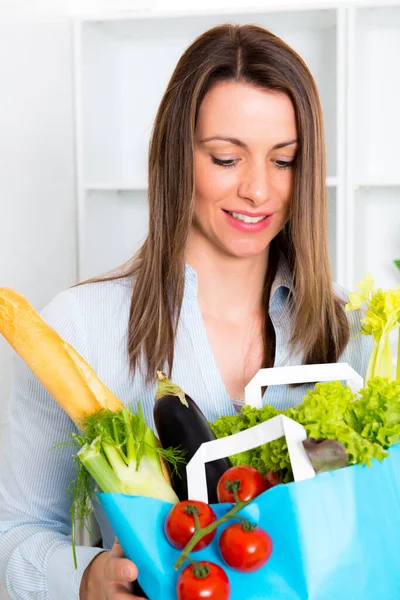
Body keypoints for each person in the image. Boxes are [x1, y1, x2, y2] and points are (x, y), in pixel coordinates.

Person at [0, 22, 371, 600]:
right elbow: (16, 534)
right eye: (226, 157)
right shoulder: (76, 330)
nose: (257, 190)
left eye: (284, 160)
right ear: (176, 158)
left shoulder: (357, 333)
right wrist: (85, 580)